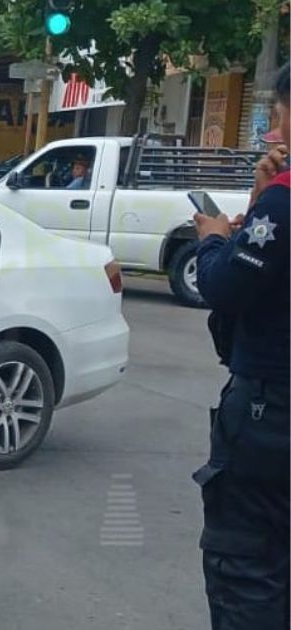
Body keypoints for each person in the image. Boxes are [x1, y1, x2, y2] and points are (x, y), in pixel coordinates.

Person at [192, 61, 289, 630]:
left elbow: (228, 288)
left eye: (279, 115)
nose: (278, 131)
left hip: (270, 413)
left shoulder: (284, 203)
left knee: (248, 569)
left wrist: (214, 240)